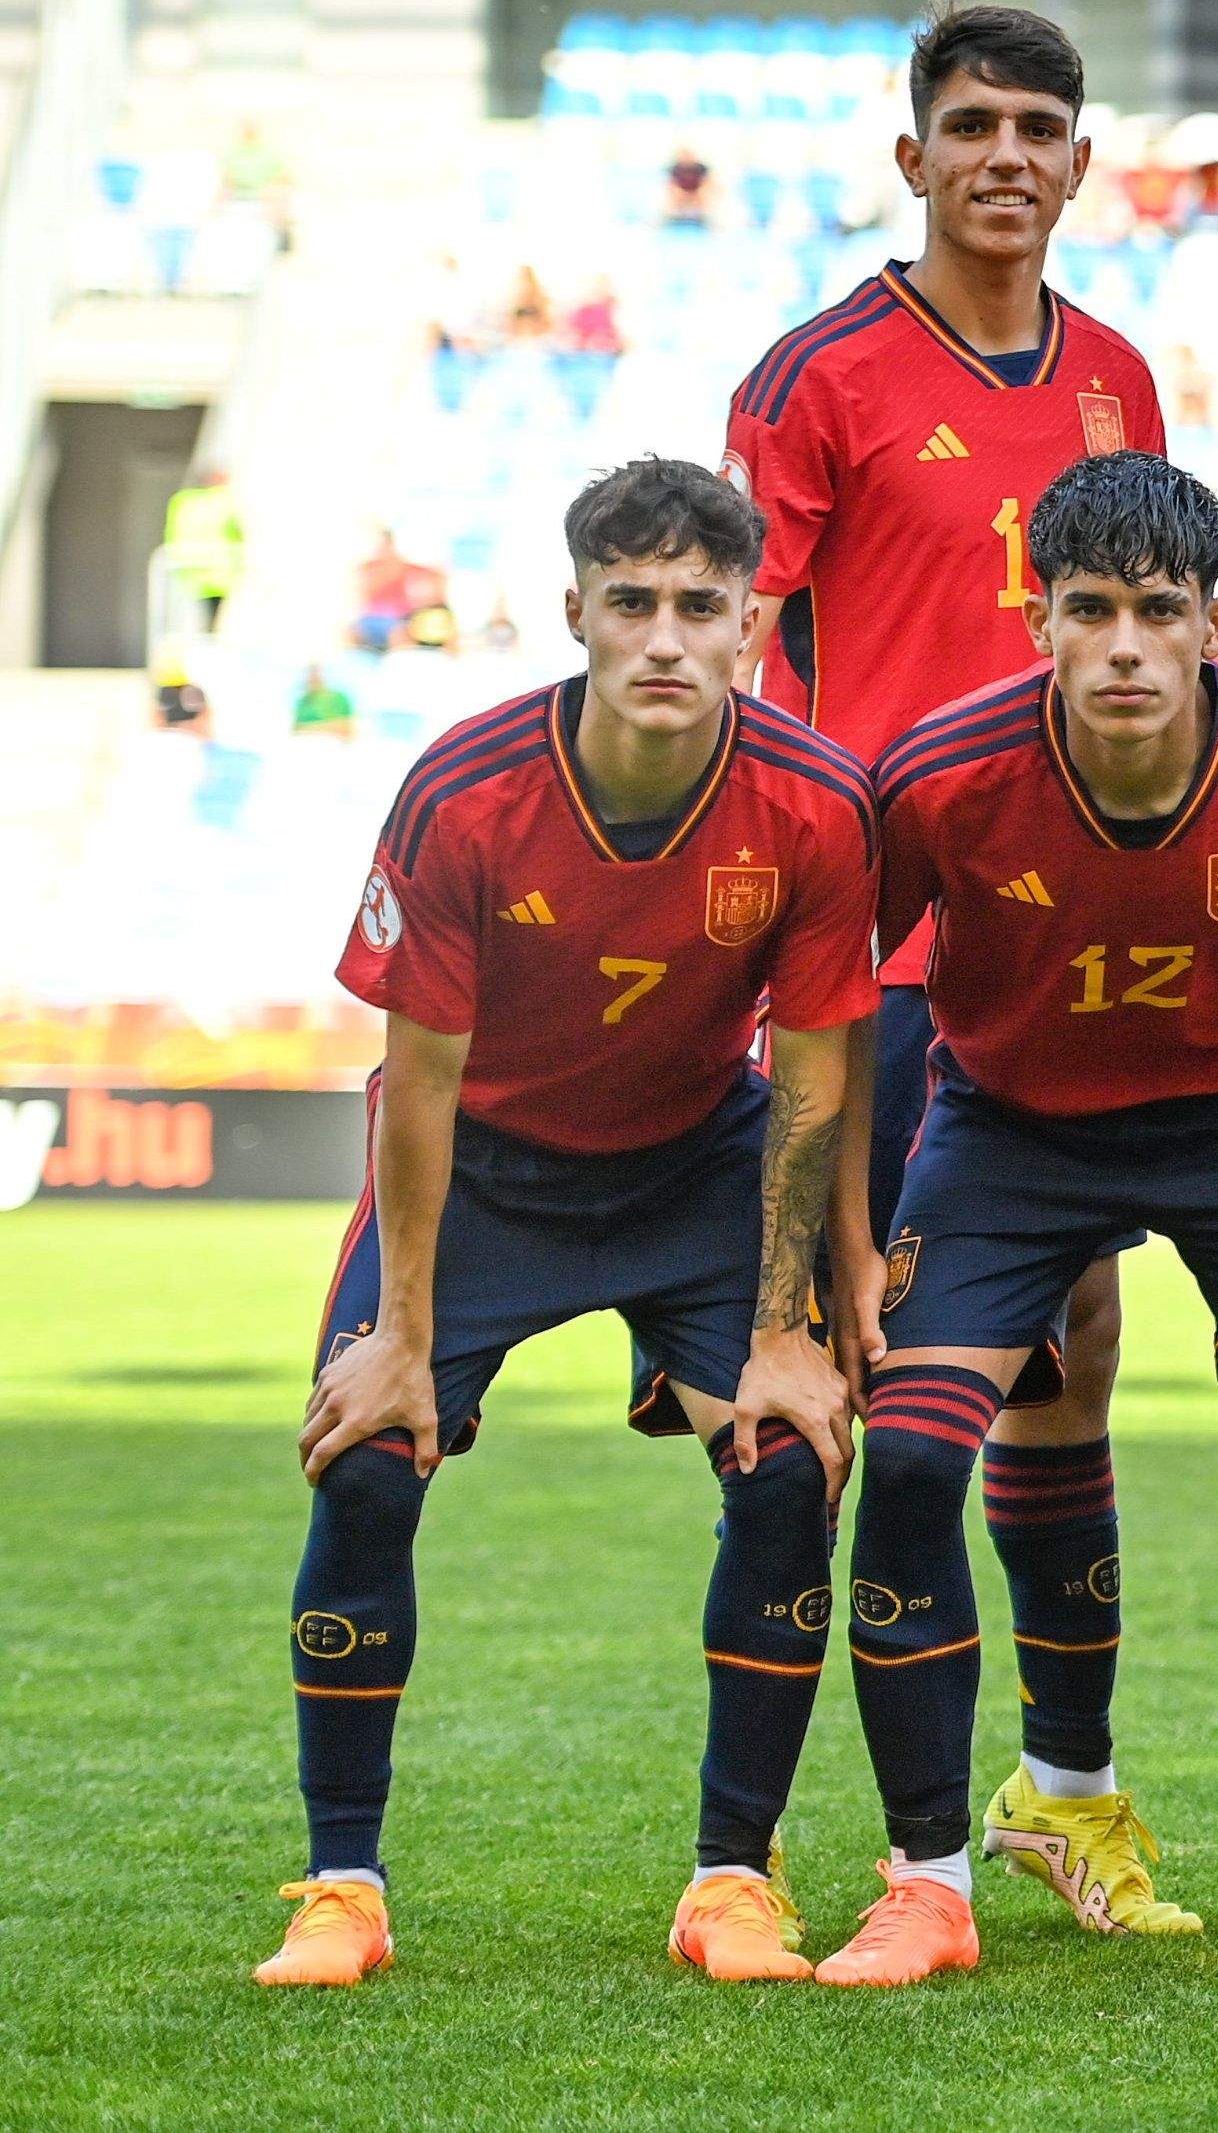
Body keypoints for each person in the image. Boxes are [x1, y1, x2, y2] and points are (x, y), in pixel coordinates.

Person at [813, 451, 1218, 1992]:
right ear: (1038, 619)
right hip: (1010, 1130)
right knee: (909, 1460)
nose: (1124, 646)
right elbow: (826, 990)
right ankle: (927, 1883)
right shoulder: (941, 773)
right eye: (1088, 609)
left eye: (1160, 611)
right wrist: (840, 1243)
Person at [258, 458, 877, 1988]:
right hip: (483, 1172)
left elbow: (811, 1082)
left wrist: (783, 1329)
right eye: (633, 601)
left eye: (701, 606)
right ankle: (341, 1886)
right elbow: (418, 1081)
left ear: (750, 624)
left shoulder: (815, 800)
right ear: (574, 612)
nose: (666, 637)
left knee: (791, 1460)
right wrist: (404, 1334)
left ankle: (733, 1880)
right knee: (367, 1459)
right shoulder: (467, 792)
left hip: (694, 1169)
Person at [719, 1, 1188, 1937]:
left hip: (1064, 957)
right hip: (884, 959)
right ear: (912, 156)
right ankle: (747, 1845)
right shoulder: (817, 376)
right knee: (830, 1376)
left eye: (1039, 125)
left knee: (1071, 1359)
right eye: (972, 123)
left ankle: (1061, 1797)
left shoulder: (1121, 377)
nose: (1006, 153)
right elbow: (737, 648)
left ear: (1081, 162)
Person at [160, 463, 244, 634]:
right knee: (212, 625)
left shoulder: (182, 501)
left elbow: (172, 532)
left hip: (187, 570)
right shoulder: (223, 500)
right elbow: (237, 532)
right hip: (218, 572)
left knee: (193, 622)